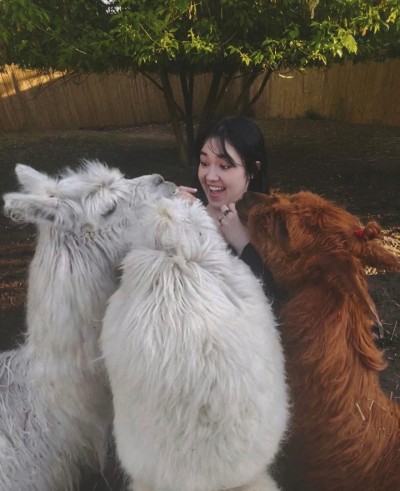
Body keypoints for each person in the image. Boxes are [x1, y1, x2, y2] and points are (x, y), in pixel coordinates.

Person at [179, 115, 275, 298]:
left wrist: (244, 245)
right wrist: (164, 213)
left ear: (253, 170)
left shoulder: (274, 229)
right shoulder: (183, 213)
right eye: (204, 163)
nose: (210, 176)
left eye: (224, 166)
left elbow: (274, 302)